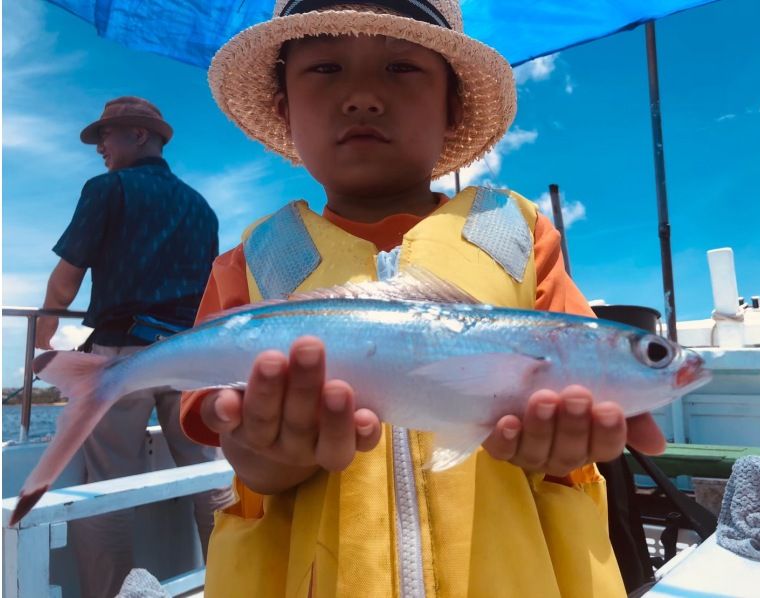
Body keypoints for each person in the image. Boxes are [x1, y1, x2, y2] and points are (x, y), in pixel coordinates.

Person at [181, 2, 666, 595]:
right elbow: (229, 433)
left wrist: (565, 445)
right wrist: (268, 455)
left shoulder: (518, 234)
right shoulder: (249, 265)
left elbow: (571, 406)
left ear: (451, 106)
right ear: (285, 109)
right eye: (326, 69)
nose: (362, 96)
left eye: (402, 68)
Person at [36, 96, 233, 598]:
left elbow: (66, 280)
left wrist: (41, 338)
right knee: (206, 476)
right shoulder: (201, 208)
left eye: (107, 135)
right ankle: (232, 581)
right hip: (190, 355)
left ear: (139, 135)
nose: (100, 146)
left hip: (125, 353)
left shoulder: (107, 190)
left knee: (105, 483)